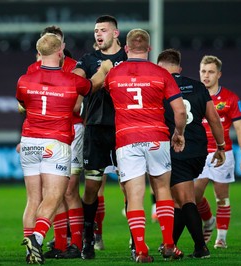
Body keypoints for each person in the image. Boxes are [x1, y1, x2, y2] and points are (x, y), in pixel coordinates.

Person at [18, 33, 112, 264]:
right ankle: (37, 238)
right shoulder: (71, 80)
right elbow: (94, 85)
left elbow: (22, 104)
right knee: (54, 195)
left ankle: (31, 250)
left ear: (39, 54)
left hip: (29, 141)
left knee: (33, 199)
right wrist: (104, 68)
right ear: (61, 52)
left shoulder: (24, 80)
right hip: (55, 143)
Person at [103, 28, 186, 263]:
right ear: (149, 49)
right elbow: (179, 110)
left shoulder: (114, 74)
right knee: (162, 190)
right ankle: (169, 244)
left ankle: (141, 249)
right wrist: (179, 133)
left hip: (127, 139)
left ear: (126, 48)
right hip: (157, 137)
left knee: (135, 195)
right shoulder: (161, 73)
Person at [23, 25, 85, 260]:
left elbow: (78, 106)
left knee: (68, 190)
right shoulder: (33, 69)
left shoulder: (74, 68)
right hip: (48, 135)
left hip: (72, 129)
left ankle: (76, 243)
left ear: (62, 46)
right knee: (50, 193)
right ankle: (57, 243)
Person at [158, 49, 226, 259]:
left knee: (185, 199)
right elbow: (214, 119)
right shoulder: (198, 86)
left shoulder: (160, 86)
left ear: (159, 68)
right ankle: (170, 245)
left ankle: (201, 247)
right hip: (199, 149)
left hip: (177, 147)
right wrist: (221, 146)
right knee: (179, 201)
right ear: (179, 68)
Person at [72, 15, 127, 259]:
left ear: (115, 33)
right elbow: (75, 80)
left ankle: (136, 241)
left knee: (130, 187)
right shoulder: (89, 59)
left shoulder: (127, 59)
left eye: (103, 30)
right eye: (96, 30)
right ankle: (88, 239)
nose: (98, 34)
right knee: (92, 187)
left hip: (124, 129)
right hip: (94, 128)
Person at [194, 55, 241, 249]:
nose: (206, 76)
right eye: (203, 71)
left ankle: (221, 238)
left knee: (221, 197)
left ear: (219, 74)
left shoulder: (230, 98)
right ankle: (208, 220)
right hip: (199, 154)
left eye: (210, 72)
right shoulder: (193, 94)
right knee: (194, 196)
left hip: (223, 153)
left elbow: (240, 128)